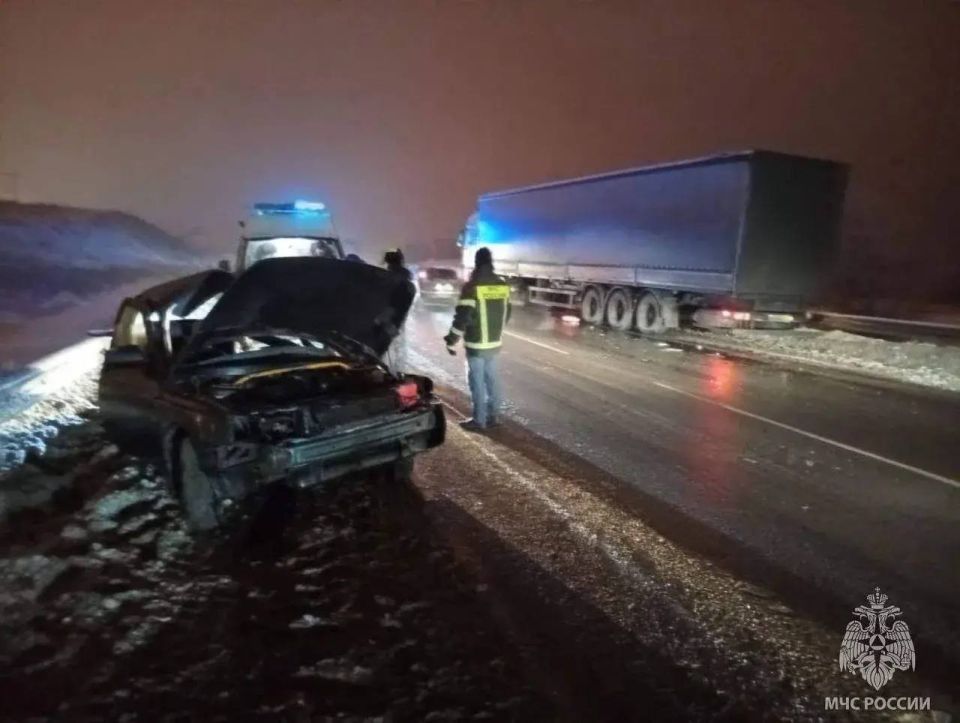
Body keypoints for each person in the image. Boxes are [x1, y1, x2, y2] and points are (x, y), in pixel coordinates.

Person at [444, 247, 511, 431]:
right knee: (493, 380)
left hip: (476, 344)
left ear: (476, 262)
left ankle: (479, 420)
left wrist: (451, 340)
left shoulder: (472, 287)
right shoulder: (501, 285)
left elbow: (462, 317)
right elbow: (507, 312)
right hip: (495, 343)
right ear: (491, 262)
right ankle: (493, 416)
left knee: (477, 382)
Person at [382, 248, 414, 375]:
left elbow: (394, 302)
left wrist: (388, 320)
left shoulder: (392, 279)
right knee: (398, 350)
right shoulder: (405, 280)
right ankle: (398, 373)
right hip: (397, 321)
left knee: (391, 349)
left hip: (392, 321)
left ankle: (394, 374)